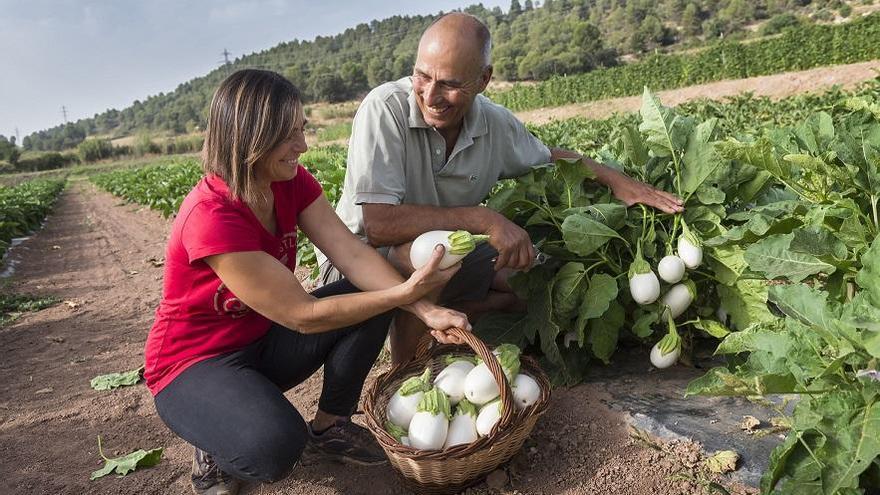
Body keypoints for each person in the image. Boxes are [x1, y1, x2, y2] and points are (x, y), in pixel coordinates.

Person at [144, 69, 471, 495]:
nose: (302, 145)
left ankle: (332, 425)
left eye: (301, 129)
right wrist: (405, 292)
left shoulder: (290, 182)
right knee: (275, 448)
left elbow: (351, 253)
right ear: (248, 139)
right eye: (287, 136)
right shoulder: (211, 216)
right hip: (193, 365)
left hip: (261, 342)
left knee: (371, 292)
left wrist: (422, 308)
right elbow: (303, 315)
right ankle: (214, 440)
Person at [318, 12, 684, 367]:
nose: (431, 95)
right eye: (422, 76)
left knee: (537, 278)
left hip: (443, 254)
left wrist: (621, 183)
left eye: (449, 83)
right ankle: (407, 370)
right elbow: (378, 224)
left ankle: (466, 312)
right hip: (358, 263)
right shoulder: (386, 109)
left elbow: (552, 158)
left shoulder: (492, 123)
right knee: (432, 252)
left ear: (483, 79)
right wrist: (483, 219)